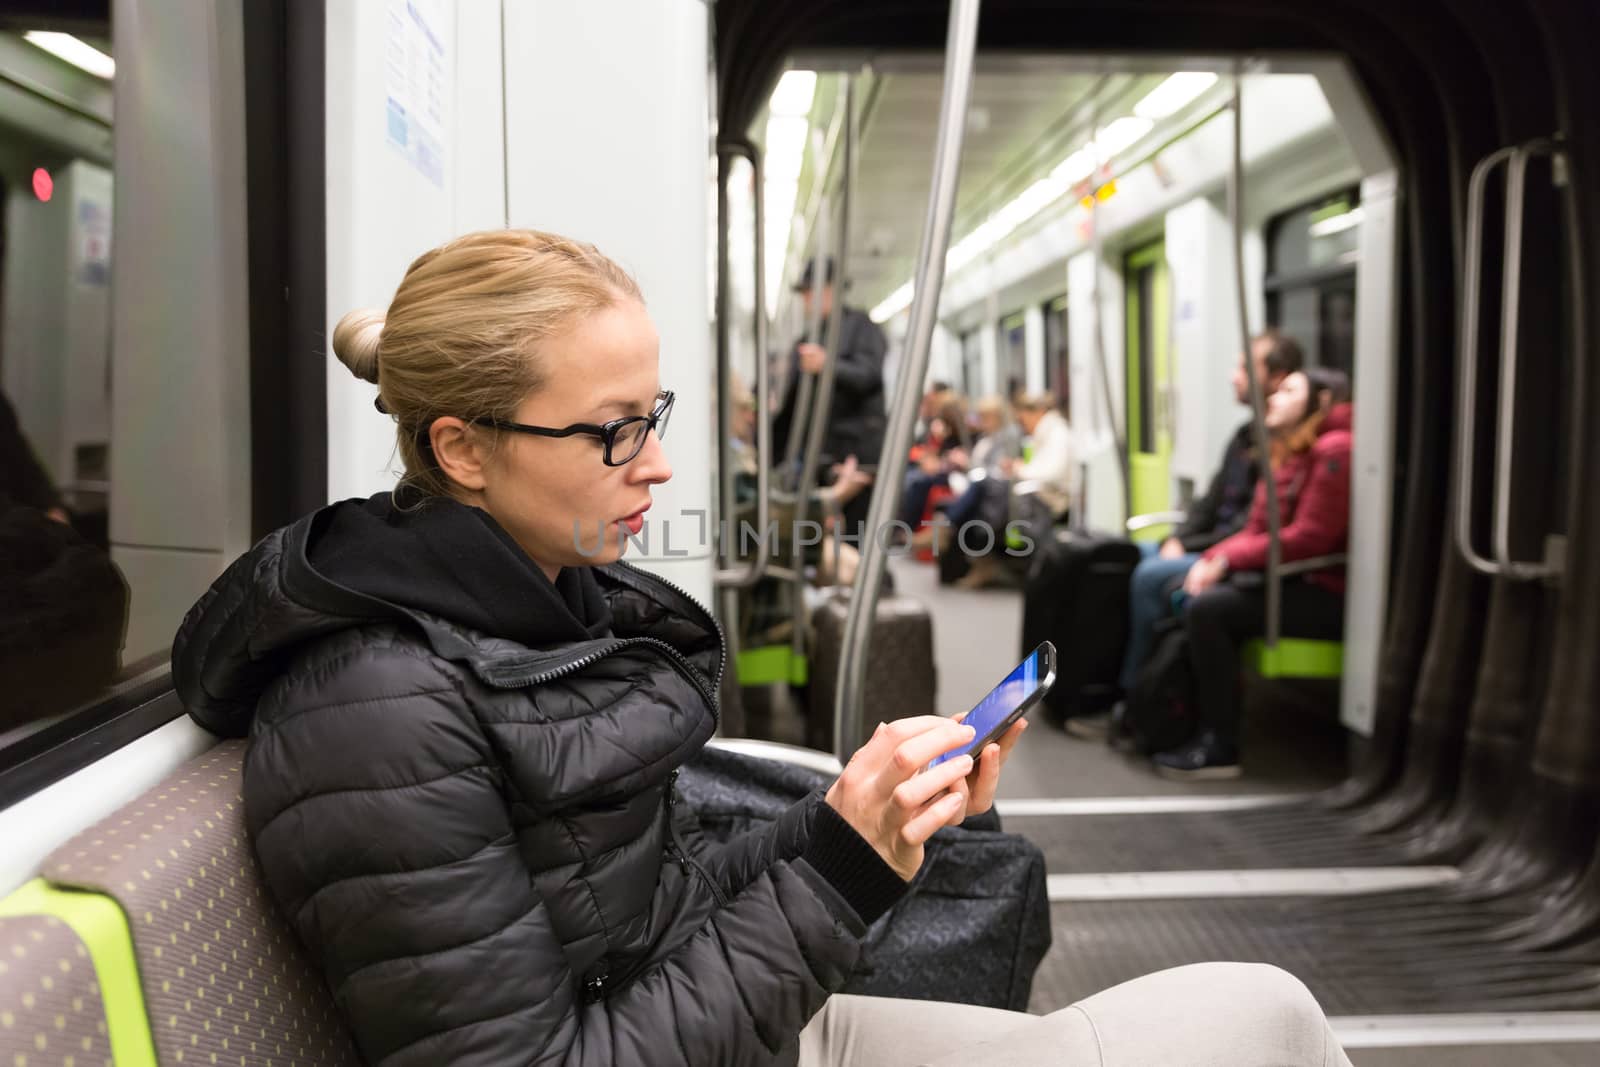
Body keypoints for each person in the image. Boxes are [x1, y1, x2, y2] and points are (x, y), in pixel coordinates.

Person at [171, 228, 1352, 1066]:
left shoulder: (537, 615)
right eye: (615, 431)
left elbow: (644, 903)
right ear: (463, 449)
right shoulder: (384, 707)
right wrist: (842, 871)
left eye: (657, 415)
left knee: (1269, 1017)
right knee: (1270, 1017)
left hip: (728, 1027)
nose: (660, 464)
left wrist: (850, 817)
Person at [1072, 329, 1305, 741]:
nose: (1234, 376)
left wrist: (1194, 549)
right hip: (1206, 545)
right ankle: (1102, 685)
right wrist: (1177, 538)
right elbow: (1209, 503)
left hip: (1231, 556)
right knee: (1122, 557)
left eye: (1242, 367)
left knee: (1149, 577)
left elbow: (1252, 525)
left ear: (1274, 375)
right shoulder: (1244, 434)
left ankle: (1131, 700)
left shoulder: (1285, 445)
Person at [1154, 367, 1354, 779]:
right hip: (1290, 579)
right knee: (1180, 589)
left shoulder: (1335, 451)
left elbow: (1308, 538)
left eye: (1288, 392)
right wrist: (1215, 555)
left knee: (1209, 610)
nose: (1275, 398)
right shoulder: (1291, 449)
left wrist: (1227, 560)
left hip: (1322, 588)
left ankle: (1220, 743)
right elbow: (1258, 529)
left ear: (1319, 402)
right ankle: (1169, 716)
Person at [771, 257, 888, 540]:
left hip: (856, 454)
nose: (808, 299)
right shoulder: (807, 337)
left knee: (858, 532)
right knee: (822, 530)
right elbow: (793, 406)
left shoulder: (861, 326)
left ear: (833, 290)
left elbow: (869, 375)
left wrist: (827, 364)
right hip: (820, 453)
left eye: (814, 290)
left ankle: (868, 581)